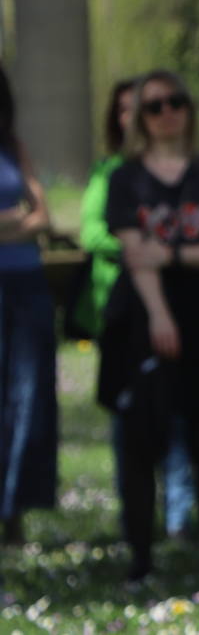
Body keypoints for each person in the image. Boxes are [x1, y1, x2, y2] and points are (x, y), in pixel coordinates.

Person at [98, 70, 199, 582]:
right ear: (139, 116)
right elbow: (135, 254)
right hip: (141, 317)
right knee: (140, 439)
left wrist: (173, 252)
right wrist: (160, 313)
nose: (167, 113)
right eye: (155, 106)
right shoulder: (126, 178)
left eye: (175, 102)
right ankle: (141, 558)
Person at [78, 78, 194, 542]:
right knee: (132, 420)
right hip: (124, 311)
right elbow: (93, 233)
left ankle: (180, 516)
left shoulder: (181, 171)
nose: (138, 118)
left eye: (148, 108)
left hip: (183, 303)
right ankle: (136, 519)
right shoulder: (111, 175)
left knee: (182, 416)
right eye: (129, 110)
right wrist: (143, 244)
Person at [0, 63, 57, 548]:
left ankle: (13, 505)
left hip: (26, 284)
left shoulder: (15, 149)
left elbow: (43, 216)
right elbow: (26, 216)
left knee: (27, 397)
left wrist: (18, 222)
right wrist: (13, 220)